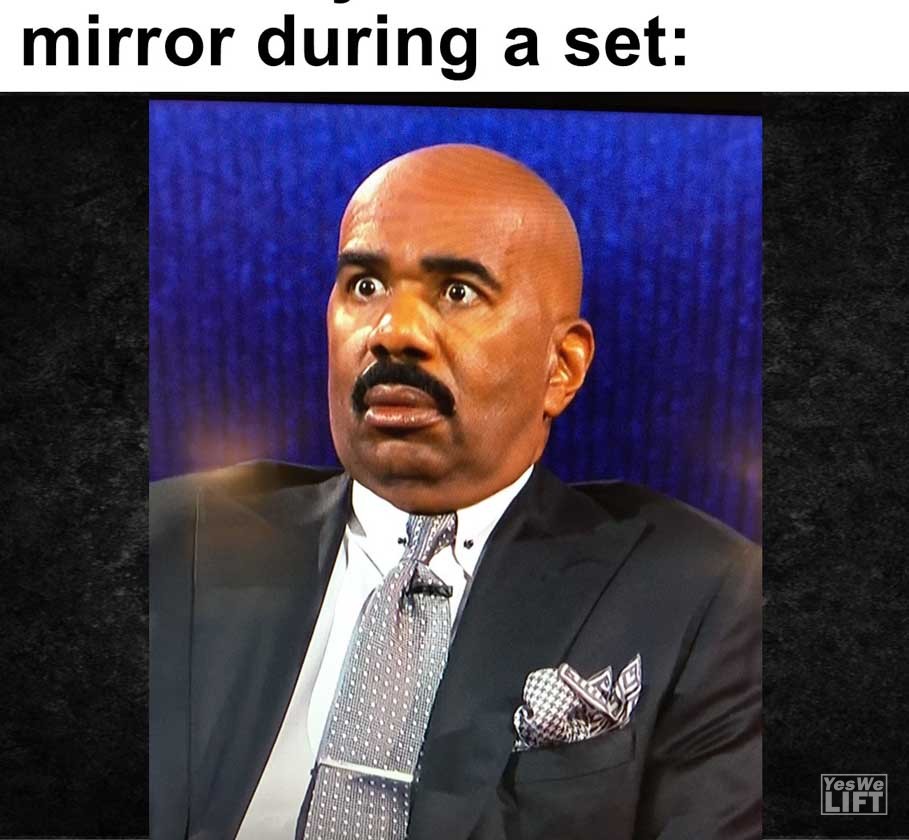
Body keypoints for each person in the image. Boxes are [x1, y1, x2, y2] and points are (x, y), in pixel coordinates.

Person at [150, 144, 761, 840]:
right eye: (365, 286)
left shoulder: (699, 591)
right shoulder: (171, 540)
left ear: (561, 368)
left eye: (457, 292)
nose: (394, 332)